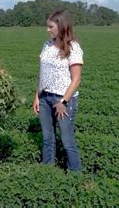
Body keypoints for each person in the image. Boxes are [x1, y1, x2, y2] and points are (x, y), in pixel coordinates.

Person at [32, 10, 83, 171]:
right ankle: (48, 172)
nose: (47, 29)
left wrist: (63, 102)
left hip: (63, 99)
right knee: (47, 138)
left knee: (67, 140)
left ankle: (75, 175)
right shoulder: (47, 45)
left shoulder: (73, 47)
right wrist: (37, 97)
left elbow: (76, 79)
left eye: (51, 26)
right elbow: (42, 74)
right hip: (45, 97)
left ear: (61, 26)